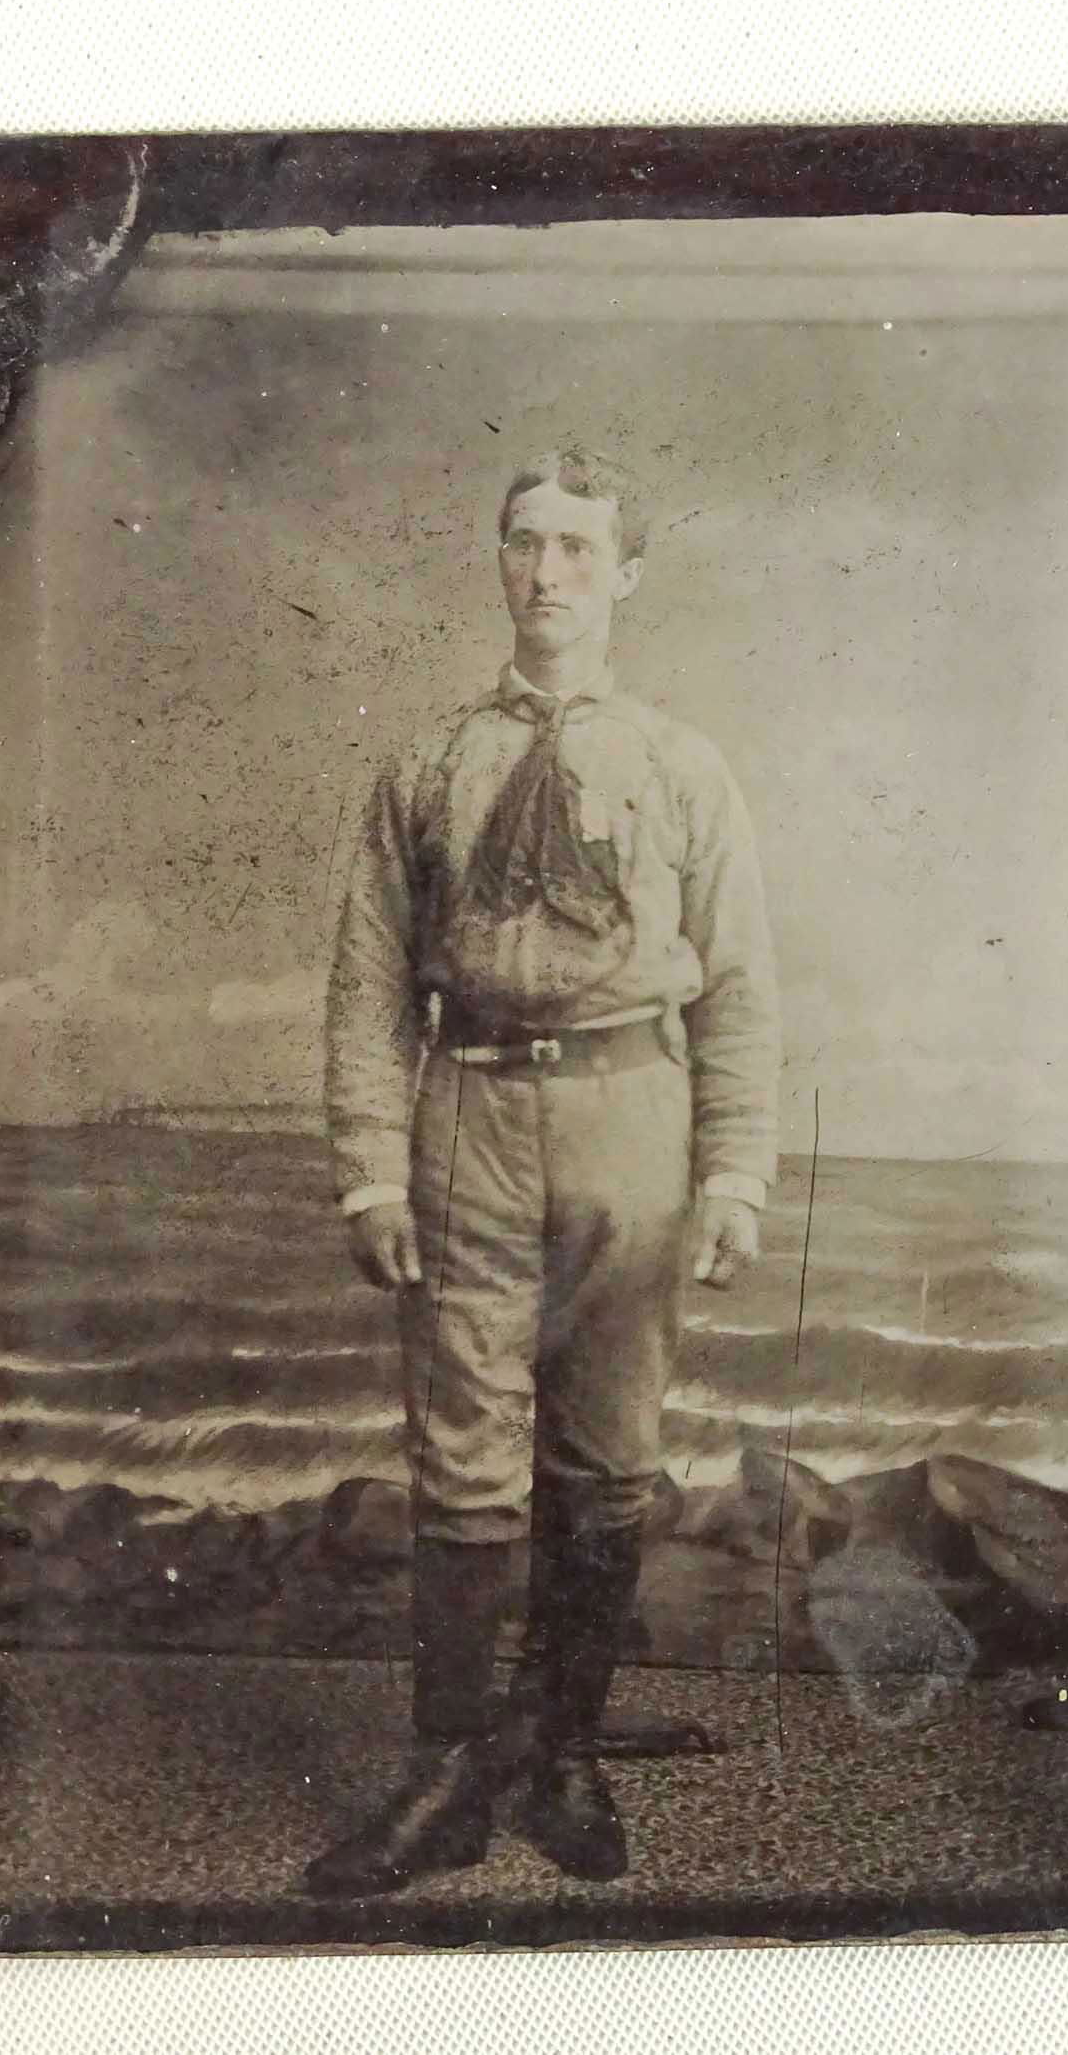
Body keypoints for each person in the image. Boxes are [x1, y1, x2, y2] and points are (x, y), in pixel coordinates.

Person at [310, 445, 780, 1898]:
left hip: (633, 1117)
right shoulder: (428, 765)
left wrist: (735, 1174)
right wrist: (371, 1173)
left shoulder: (683, 768)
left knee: (610, 1452)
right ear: (499, 563)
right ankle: (451, 1772)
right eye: (526, 542)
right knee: (461, 1456)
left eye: (579, 547)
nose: (548, 572)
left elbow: (741, 992)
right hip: (470, 1120)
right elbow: (368, 984)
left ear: (625, 574)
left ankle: (562, 1748)